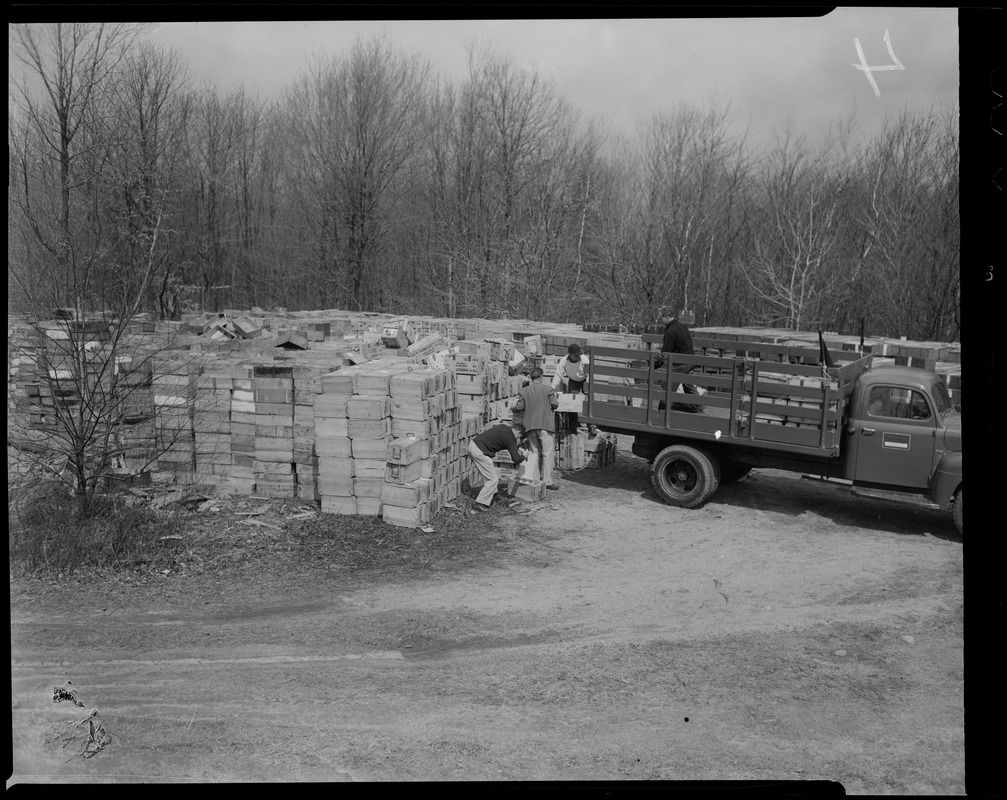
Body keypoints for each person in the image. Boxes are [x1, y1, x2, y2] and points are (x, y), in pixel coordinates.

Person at [513, 367, 560, 490]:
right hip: (545, 424)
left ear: (531, 378)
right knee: (547, 453)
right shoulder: (548, 389)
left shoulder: (524, 391)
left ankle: (534, 478)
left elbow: (519, 406)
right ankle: (548, 482)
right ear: (541, 377)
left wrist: (513, 407)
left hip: (530, 426)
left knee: (534, 452)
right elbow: (555, 404)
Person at [468, 422, 527, 510]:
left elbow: (508, 444)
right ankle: (480, 503)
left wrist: (517, 448)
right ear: (518, 432)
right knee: (493, 480)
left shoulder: (503, 427)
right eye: (519, 437)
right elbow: (516, 459)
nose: (518, 439)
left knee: (489, 472)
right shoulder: (510, 437)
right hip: (480, 451)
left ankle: (494, 495)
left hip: (473, 445)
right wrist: (524, 456)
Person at [656, 307, 703, 413]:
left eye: (661, 318)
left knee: (668, 386)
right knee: (688, 385)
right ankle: (697, 406)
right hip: (690, 360)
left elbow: (665, 353)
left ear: (666, 317)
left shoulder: (670, 331)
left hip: (681, 364)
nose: (661, 321)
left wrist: (654, 365)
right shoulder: (682, 326)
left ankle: (661, 412)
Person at [551, 344, 591, 432]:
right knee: (572, 403)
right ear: (571, 355)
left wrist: (587, 390)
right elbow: (558, 374)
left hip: (585, 379)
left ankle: (591, 425)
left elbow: (589, 375)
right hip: (573, 380)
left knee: (588, 402)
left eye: (579, 355)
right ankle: (573, 426)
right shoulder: (564, 361)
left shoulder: (584, 360)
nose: (578, 357)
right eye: (576, 355)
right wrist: (551, 388)